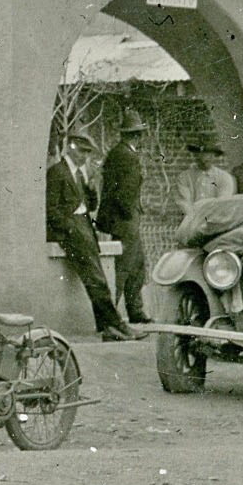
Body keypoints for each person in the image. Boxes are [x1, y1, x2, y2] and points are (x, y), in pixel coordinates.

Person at [47, 128, 131, 342]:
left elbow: (90, 205)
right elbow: (51, 210)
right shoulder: (57, 172)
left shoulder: (80, 174)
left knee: (97, 278)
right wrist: (70, 228)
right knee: (96, 279)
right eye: (81, 151)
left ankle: (108, 330)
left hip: (84, 227)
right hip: (72, 231)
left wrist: (91, 187)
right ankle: (117, 325)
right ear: (70, 148)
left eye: (87, 152)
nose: (85, 156)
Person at [96, 109, 152, 326]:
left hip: (121, 220)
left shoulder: (117, 153)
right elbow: (125, 194)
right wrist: (130, 215)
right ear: (135, 135)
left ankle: (135, 311)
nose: (139, 138)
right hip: (126, 221)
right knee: (123, 268)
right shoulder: (128, 157)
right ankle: (110, 318)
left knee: (137, 265)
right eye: (138, 134)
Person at [172, 131, 236, 223]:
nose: (204, 158)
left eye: (208, 154)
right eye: (200, 154)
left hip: (216, 222)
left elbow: (222, 204)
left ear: (214, 155)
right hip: (191, 223)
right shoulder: (184, 177)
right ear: (195, 155)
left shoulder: (224, 177)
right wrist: (194, 221)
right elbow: (185, 204)